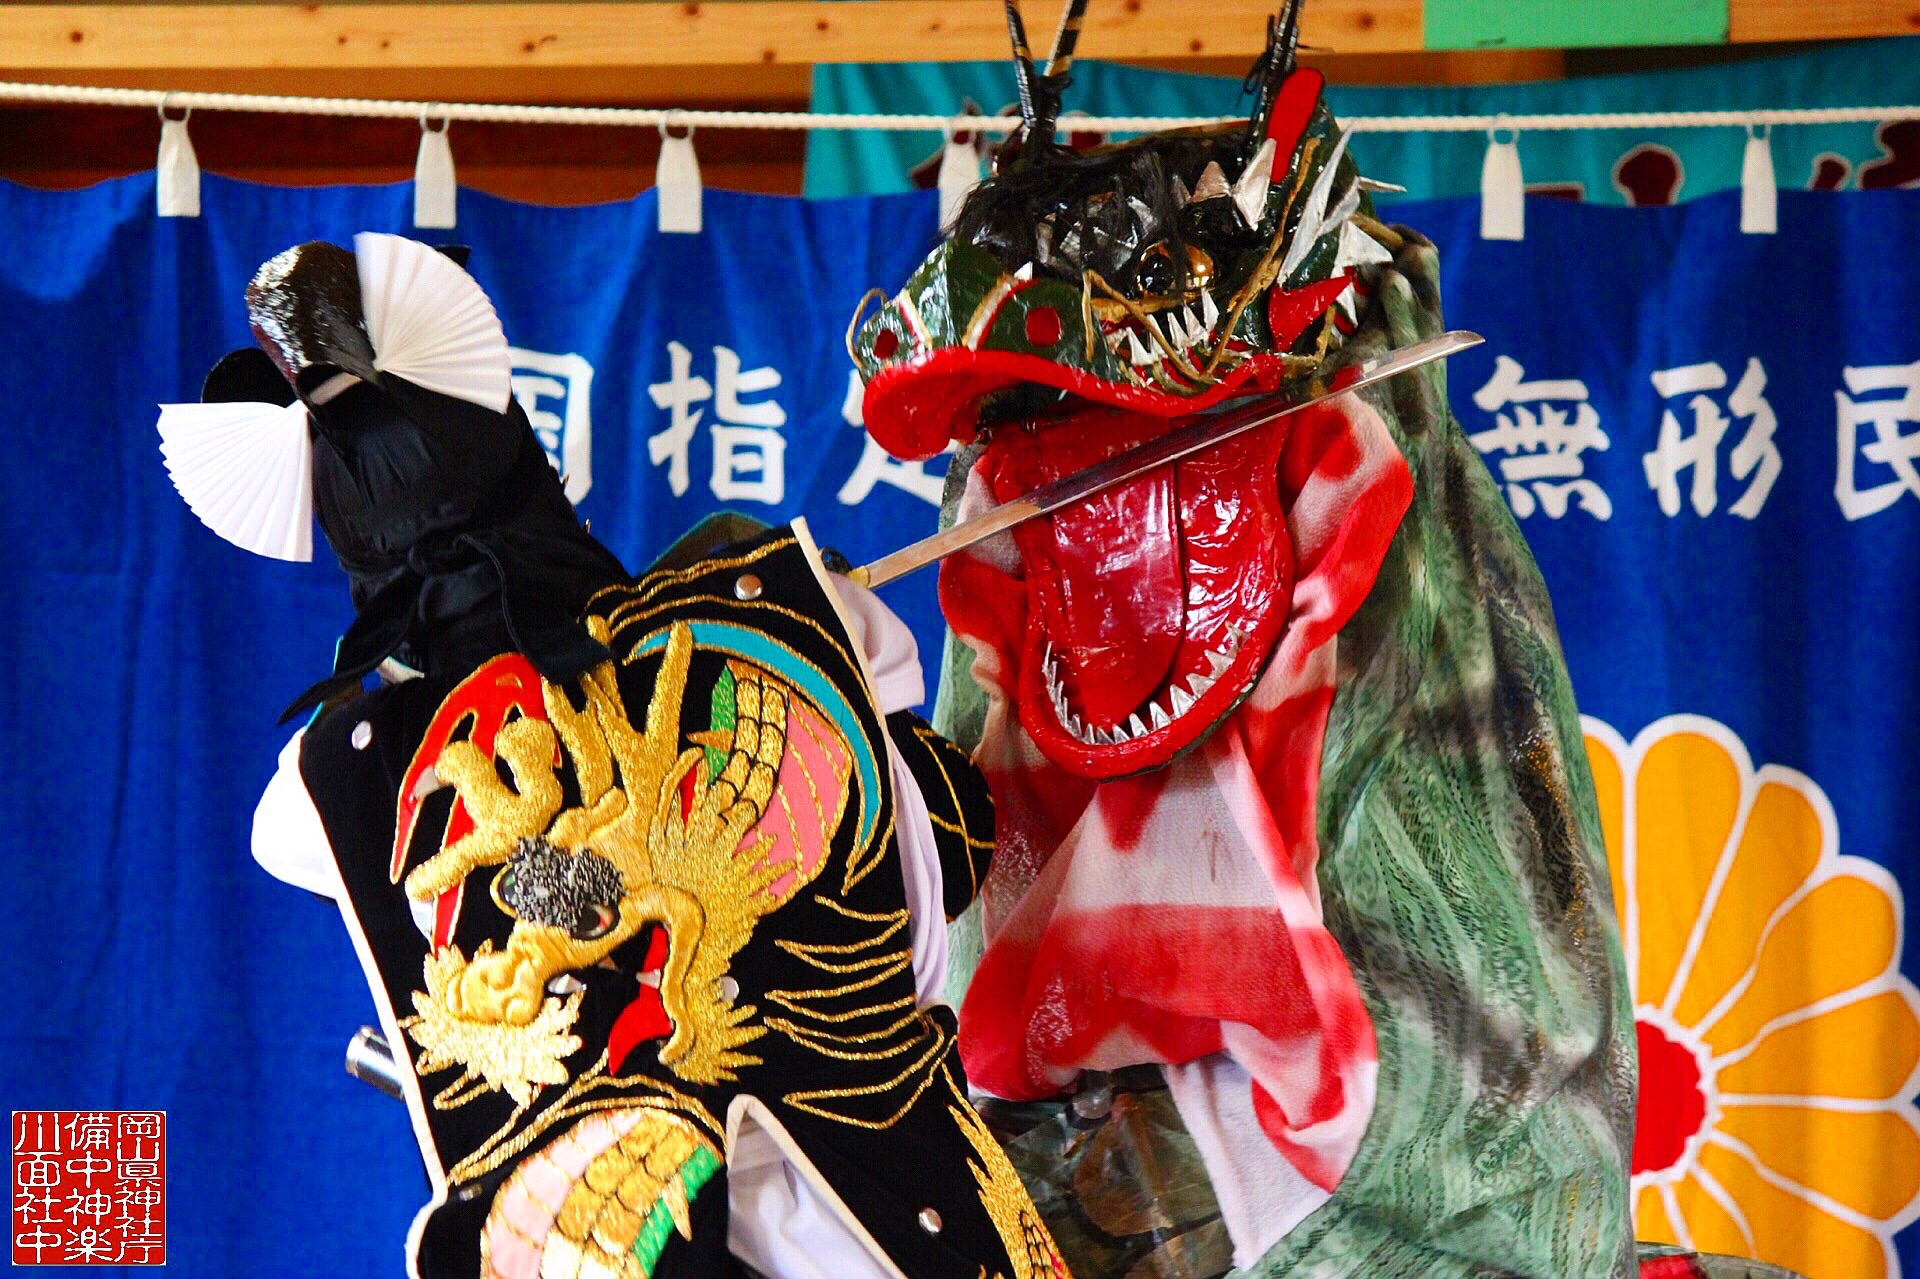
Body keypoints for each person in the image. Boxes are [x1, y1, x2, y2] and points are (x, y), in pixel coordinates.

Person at [161, 232, 1071, 1279]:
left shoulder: (338, 788)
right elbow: (935, 866)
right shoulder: (800, 617)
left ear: (357, 555)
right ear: (522, 454)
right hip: (926, 1231)